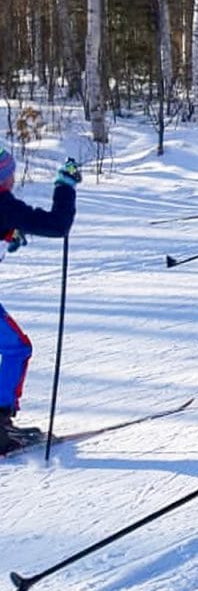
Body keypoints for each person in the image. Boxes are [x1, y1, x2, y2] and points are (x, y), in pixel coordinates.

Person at [0, 150, 79, 453]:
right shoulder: (2, 202)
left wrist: (6, 237)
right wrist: (65, 186)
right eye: (9, 175)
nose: (12, 180)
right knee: (16, 348)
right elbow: (57, 225)